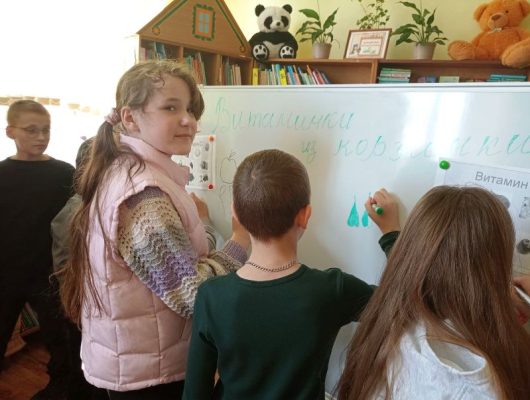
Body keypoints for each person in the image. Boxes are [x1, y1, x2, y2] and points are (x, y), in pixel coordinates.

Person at [59, 60, 250, 400]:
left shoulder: (129, 170)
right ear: (130, 118)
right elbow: (193, 294)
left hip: (142, 359)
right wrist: (240, 242)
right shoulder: (144, 196)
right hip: (150, 376)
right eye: (170, 108)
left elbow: (172, 263)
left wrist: (203, 224)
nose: (188, 120)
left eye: (190, 109)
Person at [183, 149, 400, 400]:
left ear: (236, 215)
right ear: (305, 215)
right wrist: (392, 235)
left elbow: (194, 394)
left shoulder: (211, 296)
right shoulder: (332, 291)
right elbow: (402, 302)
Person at [337, 186, 530, 400]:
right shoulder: (482, 381)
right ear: (496, 268)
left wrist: (392, 234)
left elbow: (412, 279)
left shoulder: (389, 331)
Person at [0, 100, 75, 400]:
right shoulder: (1, 174)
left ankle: (61, 391)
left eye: (46, 130)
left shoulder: (64, 173)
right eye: (31, 130)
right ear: (10, 132)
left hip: (49, 275)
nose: (41, 137)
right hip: (6, 274)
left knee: (61, 341)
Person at [51, 137, 108, 400]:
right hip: (81, 308)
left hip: (97, 307)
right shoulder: (75, 210)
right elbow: (65, 266)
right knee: (83, 374)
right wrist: (74, 305)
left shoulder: (103, 203)